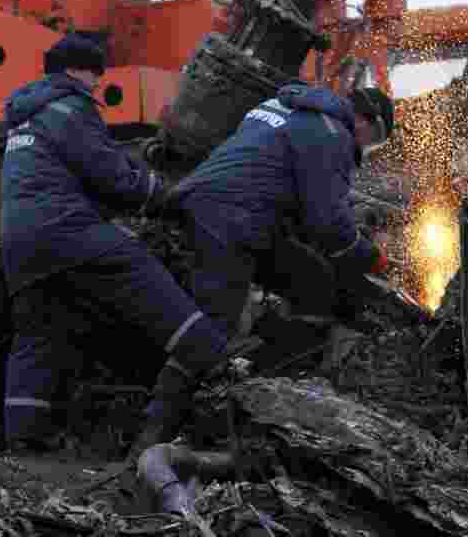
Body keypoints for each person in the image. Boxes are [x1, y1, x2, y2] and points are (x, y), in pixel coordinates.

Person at [1, 33, 231, 455]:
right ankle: (215, 358)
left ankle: (23, 440)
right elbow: (109, 173)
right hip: (64, 228)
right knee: (139, 271)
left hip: (19, 239)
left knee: (38, 331)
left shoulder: (25, 116)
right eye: (95, 75)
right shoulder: (72, 107)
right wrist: (160, 195)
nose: (96, 85)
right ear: (79, 70)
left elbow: (70, 174)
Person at [168, 82, 394, 360]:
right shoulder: (334, 134)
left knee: (310, 277)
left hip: (204, 198)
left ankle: (279, 361)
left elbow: (277, 174)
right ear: (365, 119)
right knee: (217, 324)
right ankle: (180, 396)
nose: (368, 146)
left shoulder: (282, 106)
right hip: (231, 216)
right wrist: (371, 257)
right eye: (376, 137)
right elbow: (329, 222)